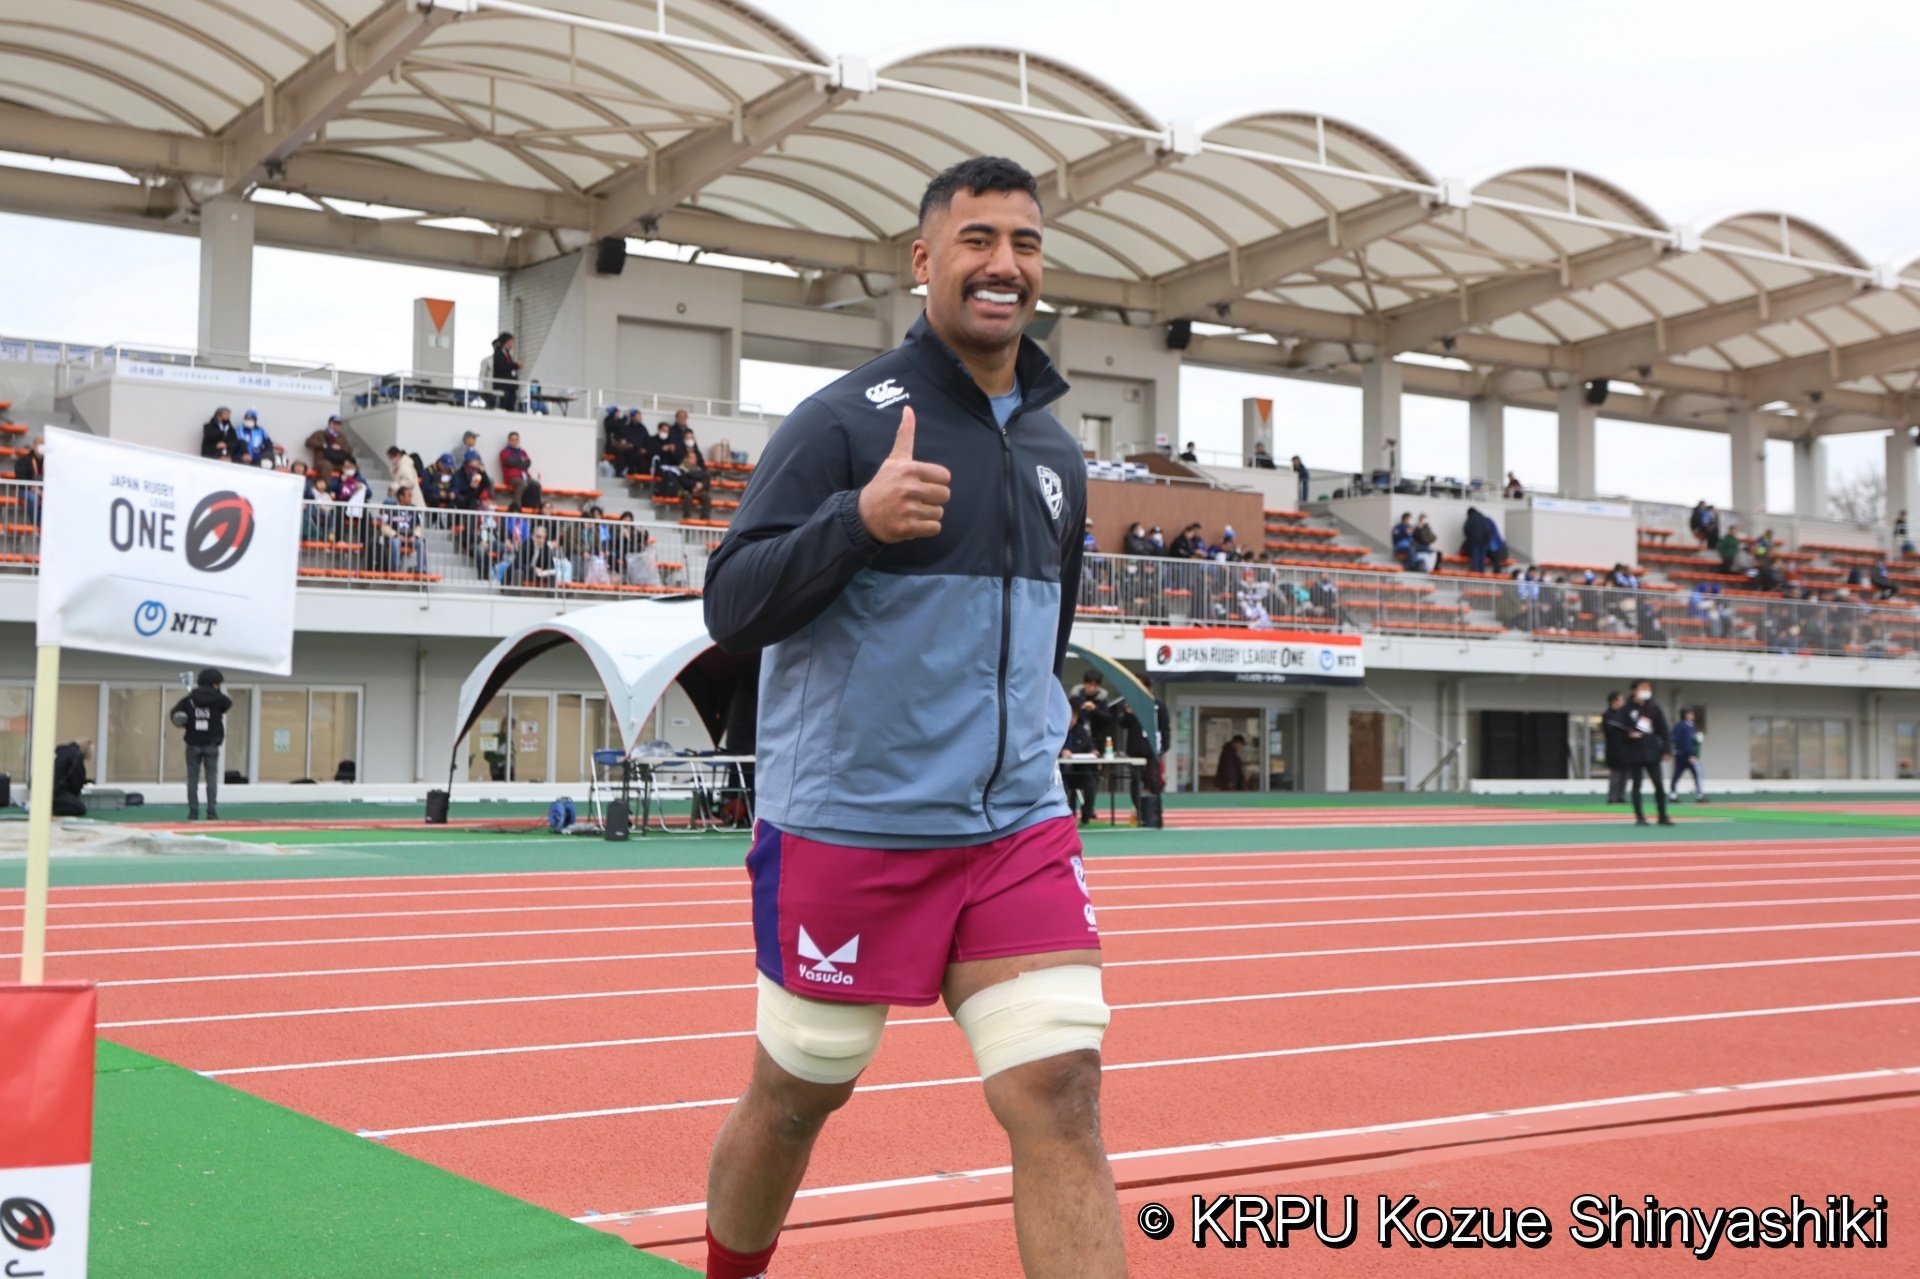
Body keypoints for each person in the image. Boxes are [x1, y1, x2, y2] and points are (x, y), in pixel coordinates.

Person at [699, 156, 1122, 1279]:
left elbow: (1047, 631)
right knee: (798, 1094)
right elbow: (731, 606)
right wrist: (857, 521)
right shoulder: (841, 421)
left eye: (1024, 242)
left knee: (1062, 1088)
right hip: (854, 828)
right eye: (978, 239)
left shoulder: (1054, 448)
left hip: (1015, 828)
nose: (1004, 263)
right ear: (924, 260)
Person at [172, 670, 231, 821]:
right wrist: (215, 695)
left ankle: (193, 811)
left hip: (193, 742)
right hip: (212, 743)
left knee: (192, 778)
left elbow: (176, 715)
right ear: (216, 683)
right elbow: (227, 704)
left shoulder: (189, 699)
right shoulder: (219, 699)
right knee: (211, 778)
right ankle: (212, 811)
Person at [1619, 678, 1673, 827]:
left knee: (1659, 784)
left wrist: (1667, 749)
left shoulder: (1654, 708)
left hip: (1652, 751)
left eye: (1648, 688)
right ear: (1634, 690)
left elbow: (1664, 730)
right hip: (1634, 751)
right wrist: (1628, 735)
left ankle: (1662, 815)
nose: (1646, 690)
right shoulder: (1626, 709)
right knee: (1637, 784)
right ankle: (1640, 817)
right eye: (1642, 687)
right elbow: (1618, 729)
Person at [49, 739, 92, 817]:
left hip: (44, 788)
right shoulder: (77, 755)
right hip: (56, 791)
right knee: (80, 808)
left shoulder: (60, 750)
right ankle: (52, 809)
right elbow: (77, 781)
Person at [1670, 707, 1705, 802]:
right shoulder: (1688, 726)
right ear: (1686, 715)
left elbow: (1673, 738)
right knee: (1698, 773)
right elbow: (1687, 741)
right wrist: (1691, 754)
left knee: (1676, 775)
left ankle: (1673, 795)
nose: (1693, 715)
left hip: (1679, 754)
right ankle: (1700, 795)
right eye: (1691, 713)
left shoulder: (1678, 726)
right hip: (1688, 755)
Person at [1602, 691, 1629, 804]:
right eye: (1621, 699)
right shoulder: (1608, 714)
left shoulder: (1624, 714)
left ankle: (1621, 796)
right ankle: (1612, 797)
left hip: (1625, 748)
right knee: (1616, 773)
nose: (1623, 702)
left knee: (1625, 774)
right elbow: (1609, 729)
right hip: (1614, 749)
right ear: (1614, 701)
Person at [490, 332, 520, 412]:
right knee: (504, 405)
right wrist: (515, 365)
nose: (512, 343)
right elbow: (501, 367)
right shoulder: (499, 353)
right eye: (511, 341)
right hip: (503, 386)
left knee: (511, 406)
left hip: (510, 386)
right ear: (507, 341)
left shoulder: (507, 353)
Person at [499, 431, 532, 499]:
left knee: (536, 484)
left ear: (519, 440)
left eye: (516, 439)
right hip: (512, 478)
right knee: (522, 484)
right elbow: (509, 463)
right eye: (512, 440)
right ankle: (516, 503)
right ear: (509, 441)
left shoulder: (522, 452)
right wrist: (521, 461)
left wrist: (517, 462)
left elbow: (528, 463)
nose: (514, 442)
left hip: (524, 476)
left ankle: (533, 504)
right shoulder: (504, 452)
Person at [1463, 505, 1495, 573]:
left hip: (1475, 541)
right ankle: (1481, 575)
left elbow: (1466, 529)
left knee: (1475, 559)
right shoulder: (1483, 517)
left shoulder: (1471, 518)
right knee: (1482, 560)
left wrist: (1470, 538)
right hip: (1485, 541)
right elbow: (1488, 530)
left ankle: (1476, 575)